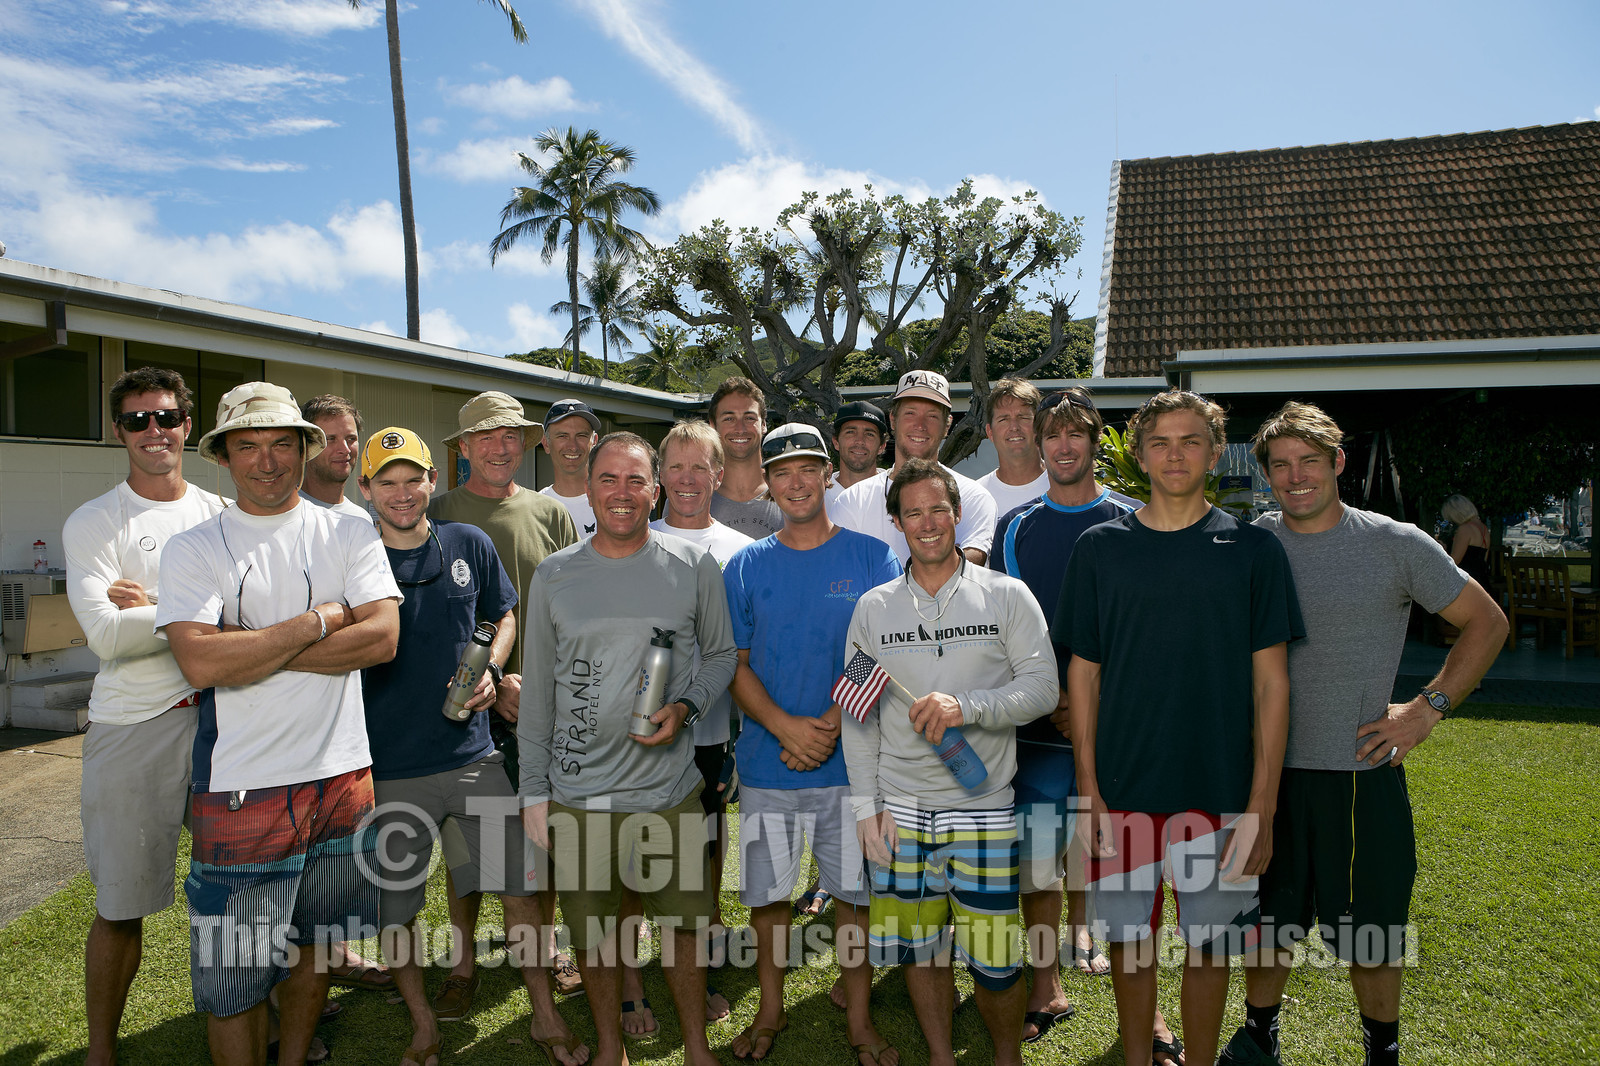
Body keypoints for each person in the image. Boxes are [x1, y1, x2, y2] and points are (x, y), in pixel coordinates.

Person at [1217, 402, 1507, 1066]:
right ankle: (1260, 1034)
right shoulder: (1249, 545)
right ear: (1265, 473)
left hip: (1361, 774)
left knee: (1372, 935)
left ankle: (1382, 1048)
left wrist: (1427, 707)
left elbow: (1487, 624)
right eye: (1280, 465)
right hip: (1268, 777)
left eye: (1309, 462)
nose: (1295, 477)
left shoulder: (1395, 543)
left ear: (1337, 463)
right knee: (1268, 926)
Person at [155, 381, 402, 1066]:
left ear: (303, 449)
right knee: (235, 980)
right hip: (243, 785)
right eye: (247, 446)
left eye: (279, 445)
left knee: (317, 946)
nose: (265, 462)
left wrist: (252, 646)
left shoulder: (350, 529)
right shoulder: (195, 548)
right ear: (225, 457)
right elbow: (201, 663)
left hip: (343, 778)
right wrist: (321, 618)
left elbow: (383, 639)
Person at [1058, 388, 1302, 1066]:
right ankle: (1136, 1056)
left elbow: (1272, 683)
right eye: (1160, 441)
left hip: (1220, 792)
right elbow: (1083, 675)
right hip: (1122, 789)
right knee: (1130, 942)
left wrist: (1263, 801)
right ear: (1139, 453)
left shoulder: (1253, 549)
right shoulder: (1100, 547)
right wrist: (1088, 788)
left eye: (1190, 440)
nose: (1175, 454)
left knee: (1211, 945)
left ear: (1214, 451)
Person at [355, 427, 587, 1066]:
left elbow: (503, 612)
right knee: (397, 909)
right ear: (365, 487)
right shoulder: (350, 554)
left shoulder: (467, 541)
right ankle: (423, 1025)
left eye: (413, 480)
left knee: (518, 889)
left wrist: (492, 668)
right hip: (389, 769)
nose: (402, 495)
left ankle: (543, 1014)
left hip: (474, 757)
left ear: (434, 481)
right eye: (387, 483)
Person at [519, 432, 737, 1066]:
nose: (622, 493)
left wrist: (686, 707)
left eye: (635, 480)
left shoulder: (692, 567)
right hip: (579, 795)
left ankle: (697, 1047)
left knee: (686, 932)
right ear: (588, 490)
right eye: (608, 479)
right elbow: (537, 695)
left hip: (668, 793)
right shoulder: (555, 575)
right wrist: (536, 791)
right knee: (594, 938)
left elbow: (722, 656)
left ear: (655, 489)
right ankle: (609, 1047)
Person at [842, 459, 1057, 1066]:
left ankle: (1005, 1057)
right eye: (913, 512)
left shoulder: (1007, 595)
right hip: (899, 813)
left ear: (958, 514)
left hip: (982, 810)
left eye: (939, 509)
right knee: (921, 950)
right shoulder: (873, 608)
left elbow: (1043, 688)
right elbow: (859, 719)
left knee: (995, 959)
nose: (928, 523)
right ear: (896, 521)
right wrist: (866, 810)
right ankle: (941, 1055)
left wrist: (967, 706)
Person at [989, 388, 1183, 1058]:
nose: (1064, 447)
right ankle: (1046, 986)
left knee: (1132, 871)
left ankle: (1150, 1014)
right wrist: (1058, 702)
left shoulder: (1138, 518)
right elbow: (1010, 632)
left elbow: (1154, 630)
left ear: (1099, 441)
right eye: (1052, 435)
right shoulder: (1015, 528)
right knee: (1040, 864)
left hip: (1123, 728)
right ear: (1037, 443)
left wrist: (1094, 708)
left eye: (1078, 434)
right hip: (1040, 728)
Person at [722, 423, 902, 1065]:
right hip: (771, 764)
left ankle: (859, 1020)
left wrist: (826, 722)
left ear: (828, 474)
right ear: (767, 482)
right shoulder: (744, 563)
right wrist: (785, 727)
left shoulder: (871, 556)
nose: (796, 482)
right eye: (782, 471)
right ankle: (770, 1010)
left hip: (850, 766)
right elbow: (734, 662)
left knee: (854, 900)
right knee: (770, 901)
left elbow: (884, 648)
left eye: (808, 468)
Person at [64, 367, 227, 1066]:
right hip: (134, 726)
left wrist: (151, 607)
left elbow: (257, 610)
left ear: (188, 425)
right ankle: (102, 1049)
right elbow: (104, 634)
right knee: (121, 905)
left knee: (237, 893)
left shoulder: (223, 511)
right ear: (118, 431)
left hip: (225, 723)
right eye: (138, 421)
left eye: (166, 417)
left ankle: (265, 1019)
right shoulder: (97, 521)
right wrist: (201, 613)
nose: (154, 432)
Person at [429, 390, 581, 1002]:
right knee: (468, 844)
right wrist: (487, 688)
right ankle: (464, 962)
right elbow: (425, 619)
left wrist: (538, 686)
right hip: (462, 705)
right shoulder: (434, 512)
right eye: (485, 437)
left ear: (526, 444)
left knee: (547, 834)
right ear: (463, 447)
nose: (500, 447)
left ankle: (550, 950)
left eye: (510, 435)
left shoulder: (549, 514)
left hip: (545, 705)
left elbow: (574, 610)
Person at [649, 419, 752, 1027]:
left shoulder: (739, 550)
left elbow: (739, 649)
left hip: (710, 732)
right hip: (635, 728)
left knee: (705, 851)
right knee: (639, 851)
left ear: (720, 473)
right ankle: (632, 973)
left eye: (700, 468)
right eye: (676, 467)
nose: (687, 481)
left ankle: (704, 957)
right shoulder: (635, 532)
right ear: (660, 475)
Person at [832, 369, 998, 565]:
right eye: (910, 413)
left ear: (947, 425)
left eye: (932, 416)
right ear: (893, 419)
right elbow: (842, 573)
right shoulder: (852, 500)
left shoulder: (974, 496)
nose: (920, 425)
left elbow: (973, 563)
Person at [707, 377, 784, 537]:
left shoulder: (790, 491)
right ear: (713, 425)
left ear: (764, 425)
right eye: (729, 418)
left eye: (749, 418)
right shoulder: (694, 495)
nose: (740, 428)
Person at [976, 378, 1048, 517]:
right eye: (1003, 419)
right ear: (990, 432)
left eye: (1023, 417)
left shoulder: (1064, 487)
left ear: (1039, 426)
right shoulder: (977, 496)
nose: (1014, 427)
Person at [298, 394, 372, 520]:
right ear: (306, 445)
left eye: (351, 439)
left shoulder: (361, 519)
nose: (345, 449)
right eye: (330, 439)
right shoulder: (286, 513)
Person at [540, 398, 601, 537]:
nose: (573, 446)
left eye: (581, 436)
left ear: (594, 442)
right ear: (546, 444)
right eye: (562, 436)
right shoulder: (536, 508)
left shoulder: (613, 501)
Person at [825, 400, 889, 508]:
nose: (860, 441)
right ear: (836, 442)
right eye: (850, 432)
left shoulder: (897, 493)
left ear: (882, 446)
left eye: (869, 434)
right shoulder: (818, 496)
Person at [1441, 494, 1493, 589]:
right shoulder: (1484, 529)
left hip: (1465, 582)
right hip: (1481, 580)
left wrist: (1442, 550)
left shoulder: (1464, 529)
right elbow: (1484, 559)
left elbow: (1455, 560)